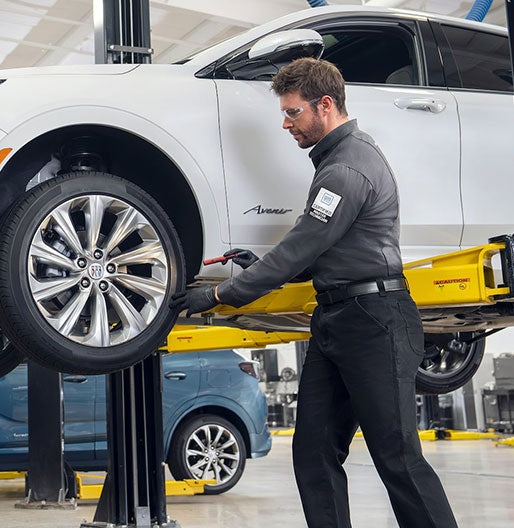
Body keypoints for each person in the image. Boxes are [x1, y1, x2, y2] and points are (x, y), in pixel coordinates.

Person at [170, 57, 457, 528]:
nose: (286, 124)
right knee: (313, 453)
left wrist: (222, 296)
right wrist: (255, 266)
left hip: (375, 320)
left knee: (397, 457)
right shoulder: (336, 164)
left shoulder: (347, 169)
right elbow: (320, 255)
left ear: (325, 105)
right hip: (337, 318)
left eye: (293, 112)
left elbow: (299, 248)